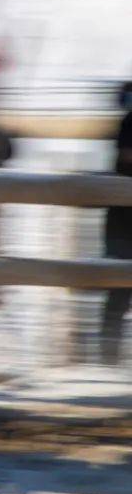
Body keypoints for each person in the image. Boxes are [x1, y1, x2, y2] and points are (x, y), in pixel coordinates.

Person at [102, 80, 132, 364]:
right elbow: (126, 157)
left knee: (118, 293)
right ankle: (108, 359)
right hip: (123, 219)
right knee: (119, 291)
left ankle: (108, 359)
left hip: (120, 218)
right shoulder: (128, 122)